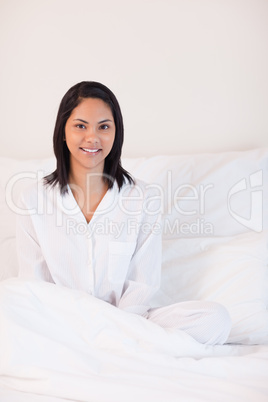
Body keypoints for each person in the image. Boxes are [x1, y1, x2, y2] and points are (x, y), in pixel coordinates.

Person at [16, 81, 231, 345]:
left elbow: (142, 286)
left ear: (116, 133)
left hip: (129, 324)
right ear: (63, 131)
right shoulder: (33, 199)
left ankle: (111, 351)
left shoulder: (144, 198)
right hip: (62, 327)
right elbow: (34, 288)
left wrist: (114, 331)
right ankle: (123, 353)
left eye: (103, 127)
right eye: (80, 126)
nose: (92, 138)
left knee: (214, 319)